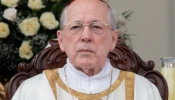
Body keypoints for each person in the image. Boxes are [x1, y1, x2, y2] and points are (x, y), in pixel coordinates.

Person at [12, 0, 162, 100]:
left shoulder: (143, 92)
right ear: (62, 40)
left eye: (96, 27)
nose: (86, 36)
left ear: (113, 39)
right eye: (75, 27)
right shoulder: (31, 92)